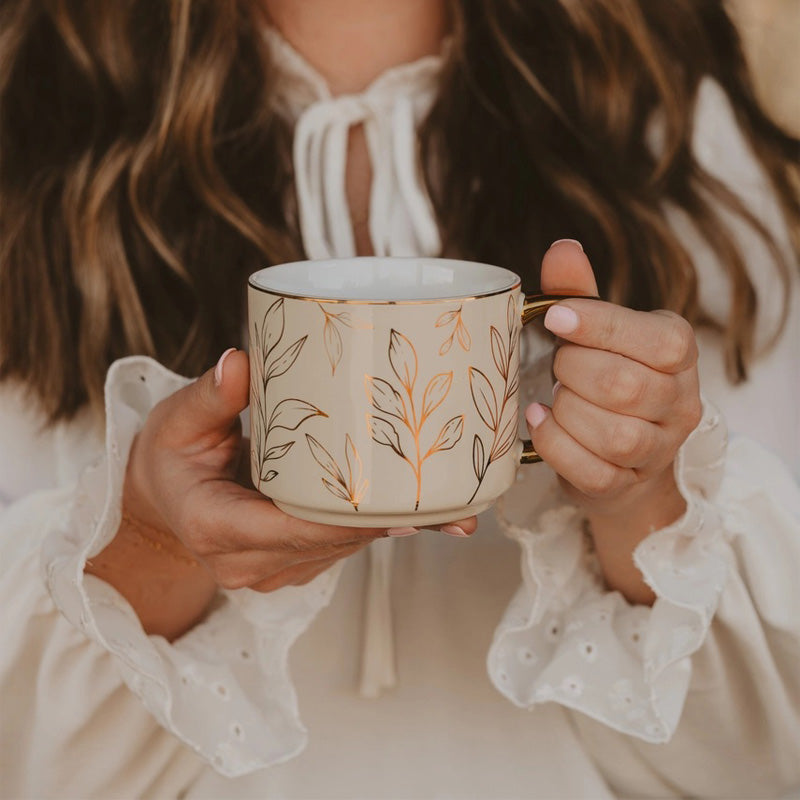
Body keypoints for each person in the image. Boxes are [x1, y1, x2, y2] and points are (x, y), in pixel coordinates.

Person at [1, 0, 798, 797]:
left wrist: (643, 496)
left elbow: (755, 762)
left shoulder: (663, 124)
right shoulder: (29, 123)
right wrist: (148, 539)